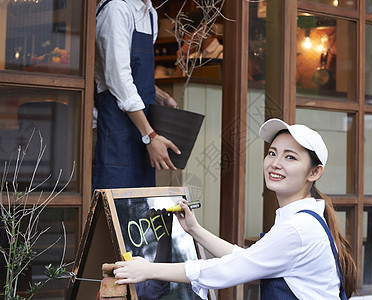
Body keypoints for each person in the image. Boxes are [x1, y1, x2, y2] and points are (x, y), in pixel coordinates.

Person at [113, 118, 357, 299]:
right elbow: (247, 259)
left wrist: (148, 269)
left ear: (314, 172)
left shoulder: (298, 229)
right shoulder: (302, 220)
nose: (275, 163)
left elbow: (230, 270)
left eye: (290, 157)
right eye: (272, 153)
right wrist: (195, 230)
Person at [93, 0, 181, 190]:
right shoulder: (116, 9)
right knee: (111, 207)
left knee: (139, 209)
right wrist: (149, 135)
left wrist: (160, 95)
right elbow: (118, 79)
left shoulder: (150, 14)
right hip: (116, 130)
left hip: (140, 130)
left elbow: (133, 74)